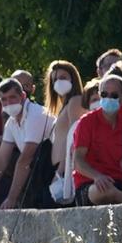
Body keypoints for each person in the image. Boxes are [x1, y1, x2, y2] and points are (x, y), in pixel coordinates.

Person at [0, 76, 57, 211]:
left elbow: (25, 159)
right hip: (37, 169)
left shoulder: (35, 114)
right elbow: (0, 160)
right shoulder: (11, 122)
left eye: (12, 97)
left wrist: (12, 198)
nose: (9, 103)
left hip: (51, 168)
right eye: (4, 100)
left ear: (23, 96)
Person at [73, 70, 122, 205]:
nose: (108, 98)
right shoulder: (87, 122)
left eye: (114, 95)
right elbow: (78, 161)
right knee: (105, 191)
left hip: (118, 182)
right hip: (90, 183)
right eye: (104, 94)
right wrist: (97, 176)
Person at [44, 60, 90, 208]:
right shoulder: (62, 107)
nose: (58, 82)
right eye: (55, 79)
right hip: (57, 168)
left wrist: (61, 171)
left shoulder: (76, 101)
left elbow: (74, 137)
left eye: (63, 77)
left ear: (73, 79)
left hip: (64, 169)